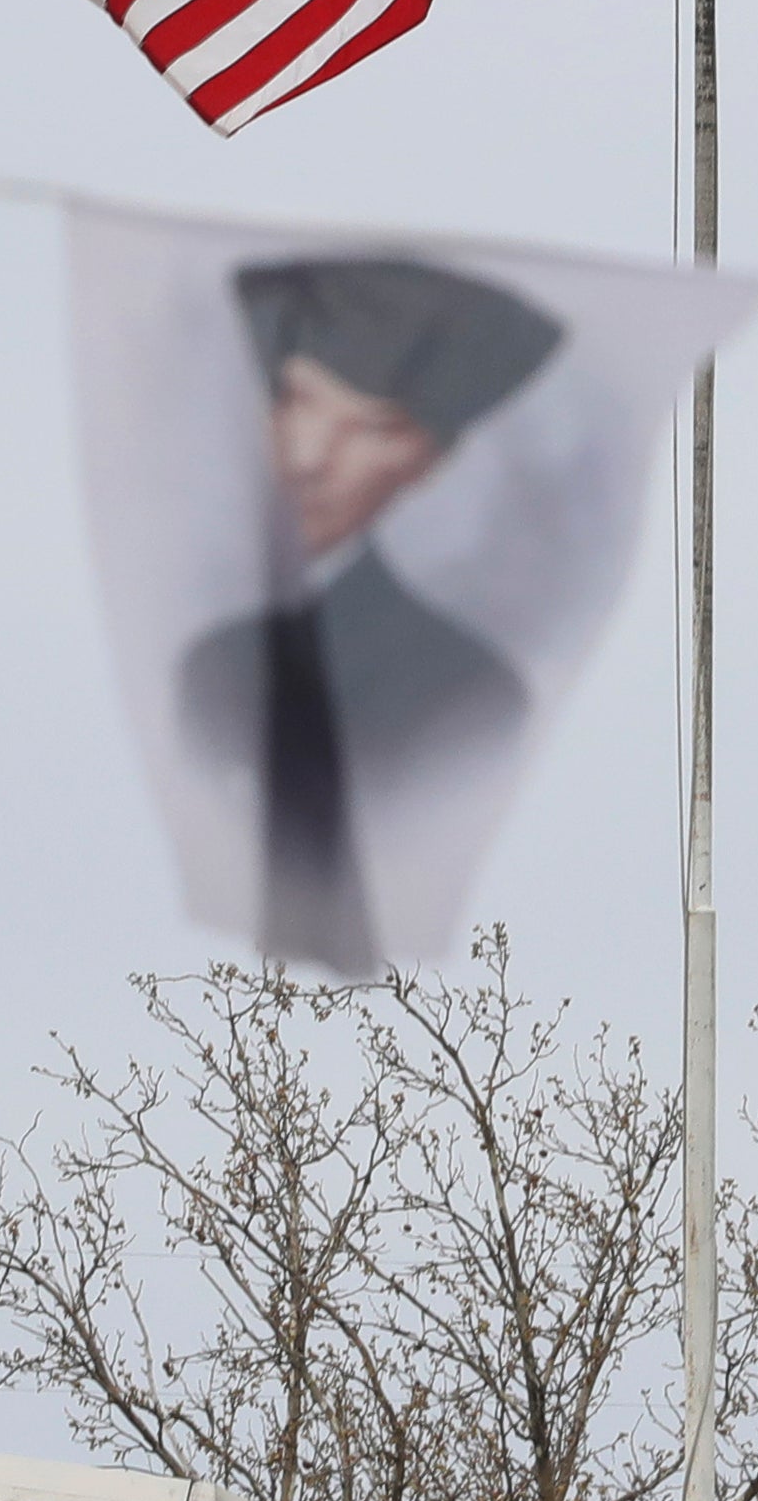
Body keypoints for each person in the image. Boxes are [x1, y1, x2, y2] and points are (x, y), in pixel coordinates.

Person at [181, 254, 562, 972]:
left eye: (369, 427)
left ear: (426, 461)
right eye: (297, 400)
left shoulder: (471, 691)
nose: (310, 457)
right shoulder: (205, 667)